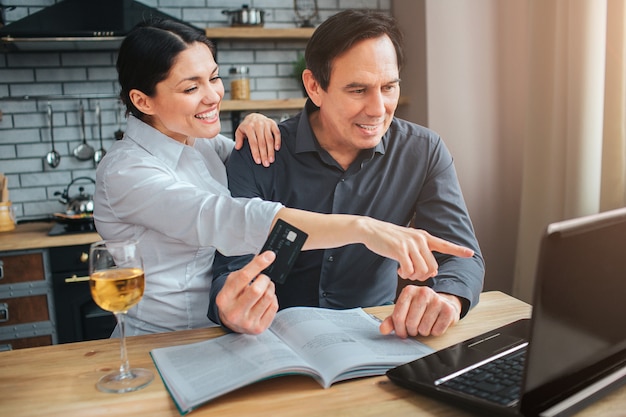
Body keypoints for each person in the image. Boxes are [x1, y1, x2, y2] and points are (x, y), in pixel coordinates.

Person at [94, 18, 474, 337]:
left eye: (213, 79)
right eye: (192, 87)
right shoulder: (128, 171)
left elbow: (461, 254)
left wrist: (448, 299)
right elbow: (233, 220)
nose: (212, 97)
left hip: (369, 335)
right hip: (169, 338)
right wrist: (363, 228)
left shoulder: (211, 146)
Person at [209, 9, 485, 338]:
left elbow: (461, 256)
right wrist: (231, 305)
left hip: (377, 335)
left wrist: (446, 301)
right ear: (314, 86)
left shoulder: (422, 150)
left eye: (389, 87)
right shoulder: (259, 152)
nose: (377, 109)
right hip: (273, 340)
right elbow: (228, 270)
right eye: (357, 90)